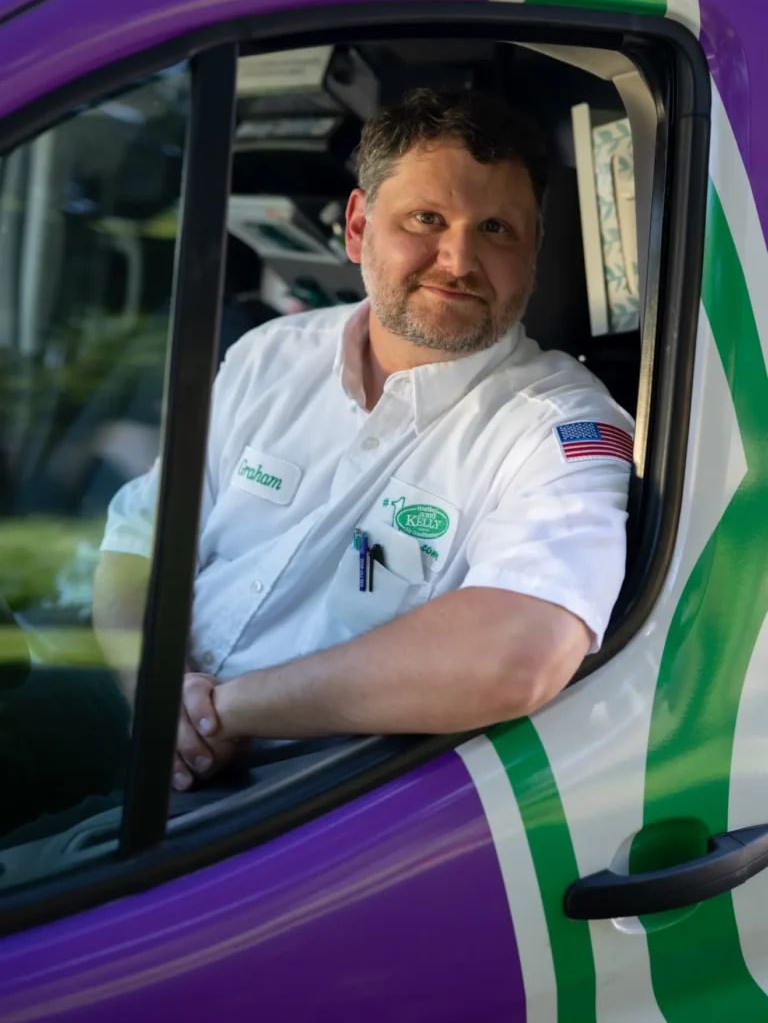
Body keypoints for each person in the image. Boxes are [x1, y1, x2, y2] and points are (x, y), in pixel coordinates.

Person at [93, 88, 634, 794]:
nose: (459, 259)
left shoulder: (557, 427)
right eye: (427, 218)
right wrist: (156, 687)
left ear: (533, 256)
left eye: (498, 229)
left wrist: (227, 711)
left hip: (307, 807)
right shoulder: (269, 356)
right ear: (356, 228)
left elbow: (518, 655)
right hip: (141, 710)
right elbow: (141, 534)